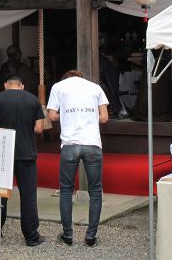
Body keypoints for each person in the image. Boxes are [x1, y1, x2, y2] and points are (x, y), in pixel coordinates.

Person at [47, 70, 109, 247]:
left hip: (70, 144)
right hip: (92, 143)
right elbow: (104, 118)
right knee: (95, 190)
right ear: (81, 78)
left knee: (66, 190)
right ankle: (91, 236)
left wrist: (68, 116)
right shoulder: (95, 88)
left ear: (66, 78)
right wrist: (87, 116)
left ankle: (68, 235)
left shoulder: (58, 87)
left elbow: (51, 116)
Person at [0, 74, 46, 248]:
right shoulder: (33, 100)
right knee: (28, 197)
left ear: (5, 85)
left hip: (2, 153)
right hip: (26, 152)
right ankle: (31, 236)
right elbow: (39, 128)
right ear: (22, 86)